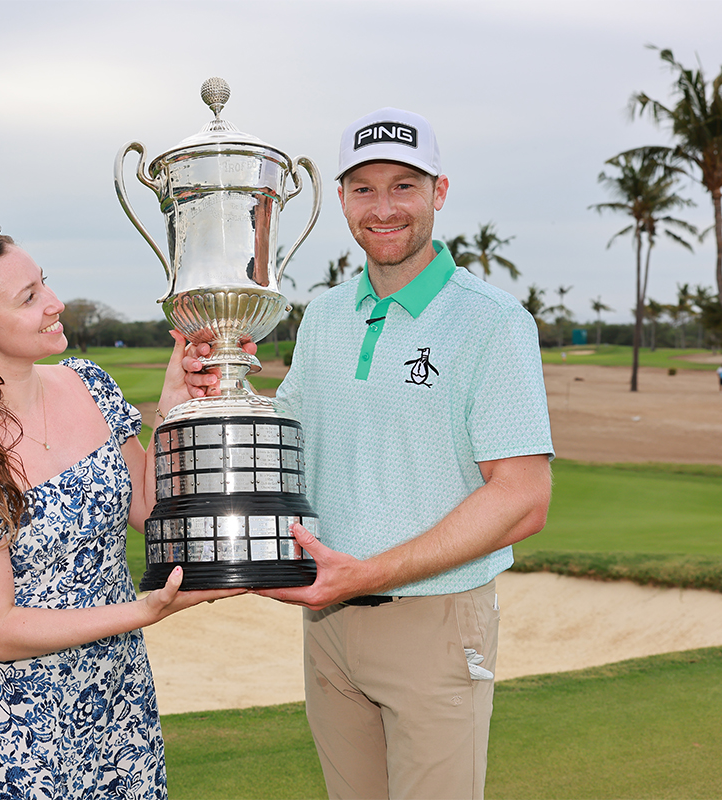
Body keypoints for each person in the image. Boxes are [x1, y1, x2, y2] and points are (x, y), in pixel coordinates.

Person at [256, 109, 554, 799]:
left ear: (438, 193)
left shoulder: (494, 322)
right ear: (340, 200)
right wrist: (211, 389)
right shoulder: (326, 316)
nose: (383, 208)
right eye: (362, 188)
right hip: (328, 626)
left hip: (435, 619)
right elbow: (287, 438)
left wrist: (367, 573)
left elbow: (522, 499)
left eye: (403, 186)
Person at [0, 222, 241, 800]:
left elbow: (151, 508)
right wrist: (144, 611)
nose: (55, 304)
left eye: (44, 284)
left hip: (118, 701)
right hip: (21, 732)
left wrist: (173, 407)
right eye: (28, 298)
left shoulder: (89, 384)